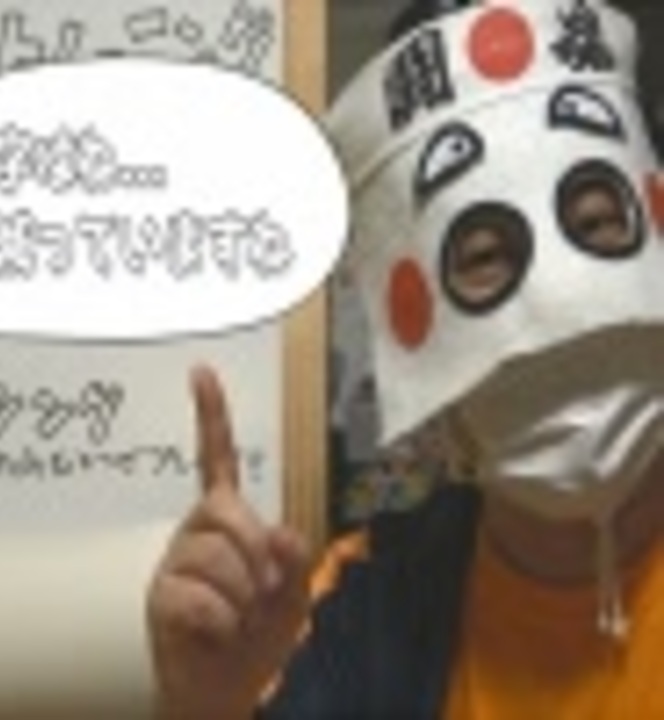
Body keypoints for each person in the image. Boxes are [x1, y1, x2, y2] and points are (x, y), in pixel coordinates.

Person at [147, 0, 664, 717]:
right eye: (481, 256)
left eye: (597, 222)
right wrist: (206, 705)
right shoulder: (360, 614)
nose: (554, 305)